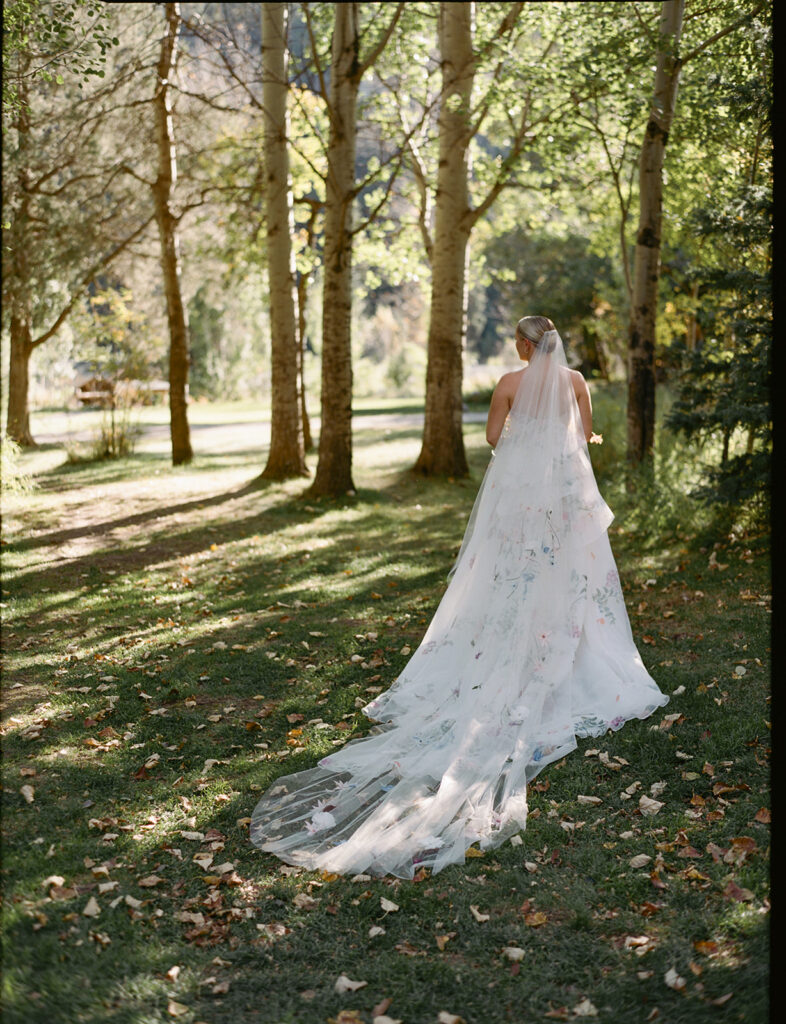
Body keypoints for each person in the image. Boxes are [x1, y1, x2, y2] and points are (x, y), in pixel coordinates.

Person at [250, 316, 668, 879]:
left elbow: (495, 438)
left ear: (523, 345)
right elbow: (584, 435)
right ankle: (571, 647)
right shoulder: (575, 381)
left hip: (519, 495)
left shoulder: (508, 384)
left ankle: (511, 643)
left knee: (509, 575)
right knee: (569, 577)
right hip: (564, 495)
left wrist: (526, 436)